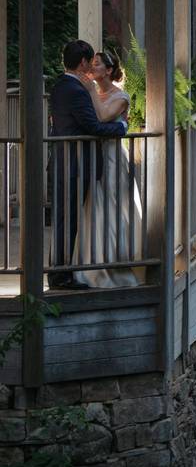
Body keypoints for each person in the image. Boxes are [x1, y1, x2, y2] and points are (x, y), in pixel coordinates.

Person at [48, 40, 128, 290]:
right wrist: (122, 127)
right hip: (75, 162)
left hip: (63, 160)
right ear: (82, 62)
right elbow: (93, 126)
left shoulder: (60, 86)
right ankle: (61, 276)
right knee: (68, 220)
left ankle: (60, 272)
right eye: (89, 61)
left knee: (64, 219)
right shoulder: (76, 90)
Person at [71, 51, 142, 288]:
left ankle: (114, 265)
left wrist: (91, 91)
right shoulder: (89, 94)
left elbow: (101, 119)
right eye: (91, 63)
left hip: (112, 158)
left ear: (108, 70)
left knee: (113, 207)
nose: (92, 67)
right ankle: (92, 264)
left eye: (97, 64)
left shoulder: (120, 97)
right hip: (94, 158)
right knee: (95, 207)